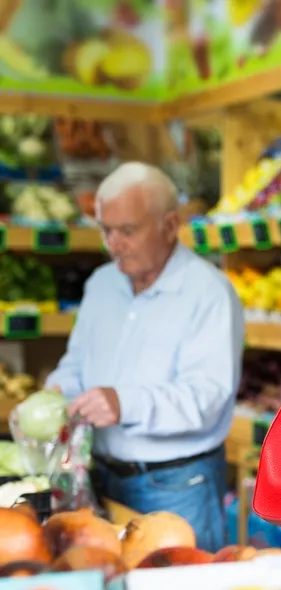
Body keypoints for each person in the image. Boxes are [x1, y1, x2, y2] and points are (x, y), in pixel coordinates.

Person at [45, 162, 245, 552]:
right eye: (106, 230)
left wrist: (124, 403)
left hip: (176, 487)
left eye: (127, 231)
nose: (113, 244)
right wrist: (54, 393)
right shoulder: (101, 284)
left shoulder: (209, 293)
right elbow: (77, 364)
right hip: (100, 475)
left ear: (170, 226)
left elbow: (206, 397)